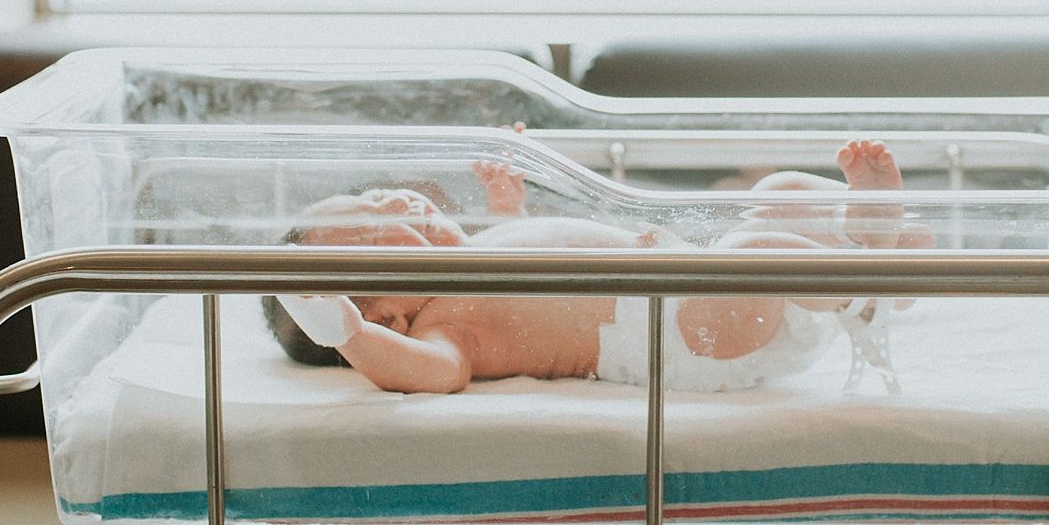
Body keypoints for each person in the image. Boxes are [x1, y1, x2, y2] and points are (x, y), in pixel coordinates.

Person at [262, 139, 926, 394]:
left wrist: (508, 208)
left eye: (379, 193)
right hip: (681, 339)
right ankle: (864, 283)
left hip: (691, 280)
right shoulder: (446, 323)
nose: (400, 201)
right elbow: (439, 372)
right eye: (381, 228)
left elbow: (528, 251)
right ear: (385, 313)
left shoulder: (477, 254)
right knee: (752, 259)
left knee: (776, 195)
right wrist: (348, 335)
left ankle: (859, 242)